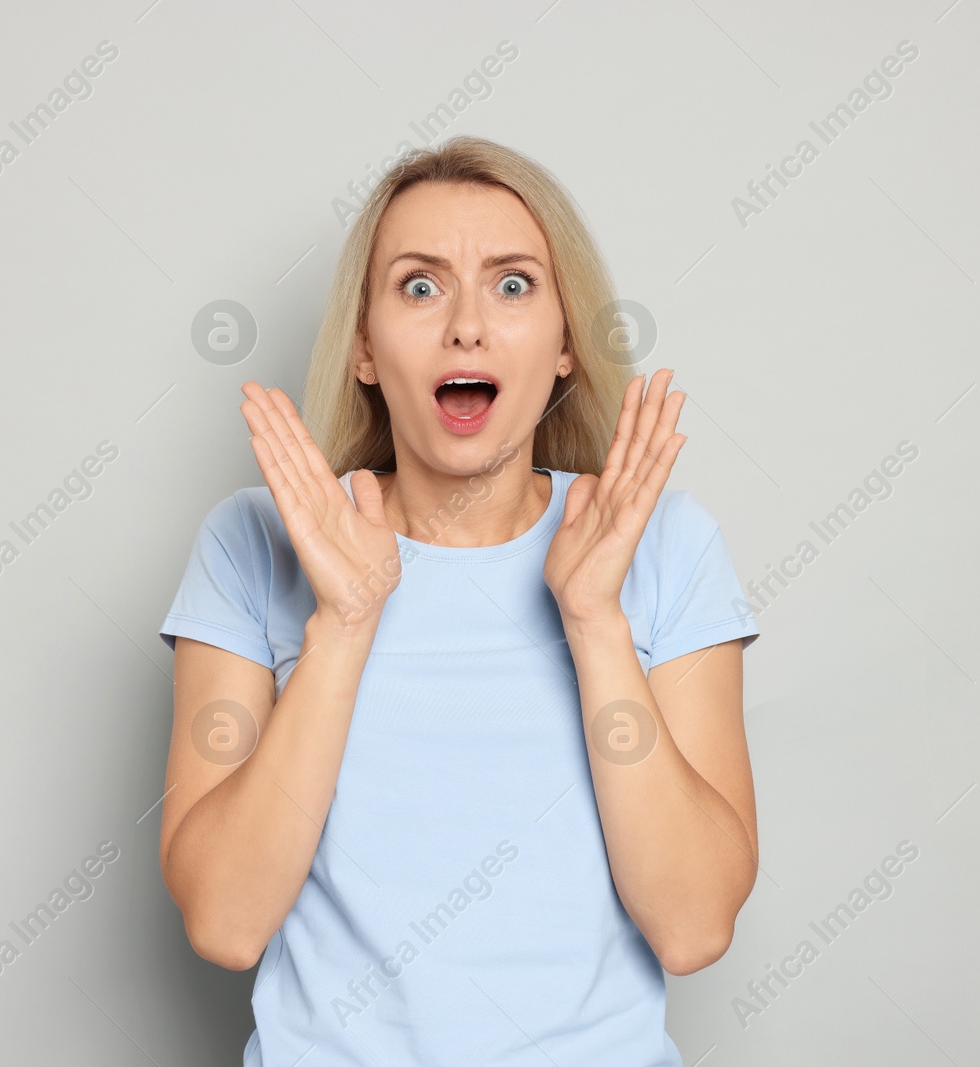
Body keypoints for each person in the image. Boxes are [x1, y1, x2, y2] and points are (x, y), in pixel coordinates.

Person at [159, 135, 761, 1066]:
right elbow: (227, 922)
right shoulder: (251, 544)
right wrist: (344, 624)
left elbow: (692, 926)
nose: (468, 327)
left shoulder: (663, 547)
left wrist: (596, 621)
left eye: (514, 285)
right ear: (363, 345)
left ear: (565, 345)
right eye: (419, 285)